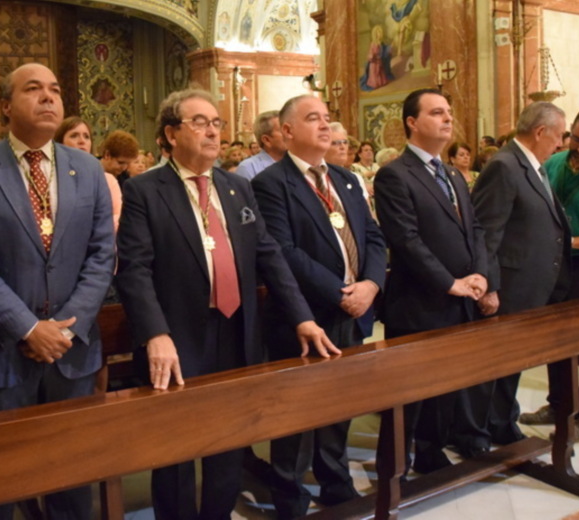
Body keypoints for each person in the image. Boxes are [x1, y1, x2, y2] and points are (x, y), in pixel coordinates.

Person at [115, 88, 338, 520]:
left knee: (231, 445)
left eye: (216, 123)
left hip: (238, 332)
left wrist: (303, 319)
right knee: (176, 452)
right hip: (178, 338)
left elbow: (270, 257)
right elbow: (135, 270)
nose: (212, 131)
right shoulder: (146, 190)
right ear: (170, 134)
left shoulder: (237, 188)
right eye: (199, 122)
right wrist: (155, 334)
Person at [0, 63, 115, 520]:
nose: (48, 98)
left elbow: (102, 256)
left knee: (71, 480)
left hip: (72, 353)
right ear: (5, 105)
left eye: (55, 90)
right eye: (34, 89)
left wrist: (64, 329)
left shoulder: (88, 168)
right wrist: (27, 328)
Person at [252, 95, 386, 518]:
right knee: (297, 412)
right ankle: (289, 493)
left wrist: (371, 285)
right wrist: (341, 291)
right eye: (314, 119)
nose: (326, 126)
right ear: (287, 131)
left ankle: (335, 480)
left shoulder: (346, 180)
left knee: (339, 402)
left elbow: (375, 239)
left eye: (328, 118)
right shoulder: (271, 183)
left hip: (352, 309)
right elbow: (283, 251)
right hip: (304, 314)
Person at [374, 88, 488, 474]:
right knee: (410, 393)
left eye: (449, 112)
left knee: (446, 387)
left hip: (458, 301)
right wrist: (449, 282)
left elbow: (474, 229)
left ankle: (431, 449)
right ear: (412, 122)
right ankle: (393, 466)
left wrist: (481, 277)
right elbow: (406, 240)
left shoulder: (454, 175)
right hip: (418, 303)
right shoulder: (394, 174)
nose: (448, 118)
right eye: (437, 112)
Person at [453, 102, 570, 457]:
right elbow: (486, 232)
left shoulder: (534, 166)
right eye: (559, 135)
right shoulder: (504, 166)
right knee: (491, 363)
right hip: (508, 286)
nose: (560, 143)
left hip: (530, 285)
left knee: (512, 363)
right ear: (540, 132)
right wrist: (489, 285)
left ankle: (502, 423)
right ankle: (473, 434)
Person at [522, 107, 579, 441]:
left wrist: (568, 240)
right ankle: (558, 404)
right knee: (554, 337)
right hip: (553, 263)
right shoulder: (553, 164)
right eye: (577, 140)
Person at [58, 116, 123, 232]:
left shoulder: (107, 180)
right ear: (60, 142)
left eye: (86, 137)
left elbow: (118, 216)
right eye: (74, 135)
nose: (82, 141)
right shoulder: (53, 177)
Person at [236, 110, 286, 180]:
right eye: (283, 130)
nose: (290, 134)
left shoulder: (296, 163)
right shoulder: (248, 167)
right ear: (267, 140)